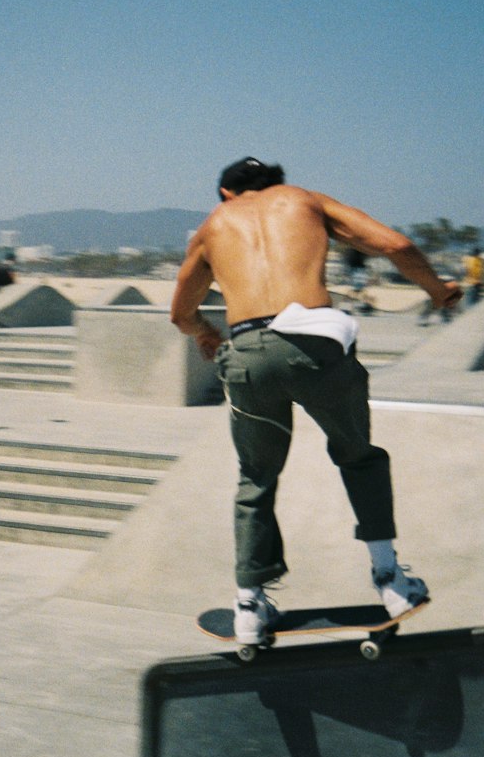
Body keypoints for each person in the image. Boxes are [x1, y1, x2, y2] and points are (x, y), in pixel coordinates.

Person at [170, 156, 462, 651]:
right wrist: (438, 291)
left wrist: (204, 333)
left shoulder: (212, 226)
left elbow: (180, 311)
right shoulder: (304, 200)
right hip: (315, 346)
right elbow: (397, 244)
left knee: (256, 478)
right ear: (273, 184)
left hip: (246, 354)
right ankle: (390, 582)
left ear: (224, 193)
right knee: (358, 457)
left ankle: (248, 605)